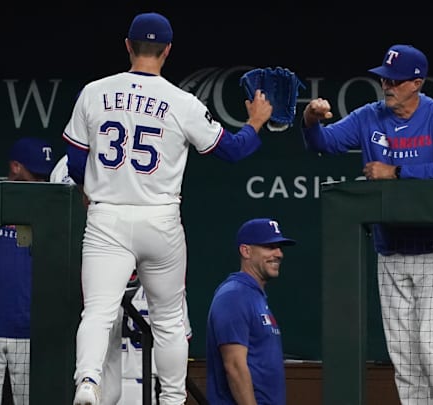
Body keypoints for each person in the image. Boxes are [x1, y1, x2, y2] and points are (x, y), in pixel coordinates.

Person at [62, 11, 273, 405]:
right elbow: (233, 151)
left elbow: (75, 163)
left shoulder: (94, 91)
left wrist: (89, 191)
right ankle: (173, 399)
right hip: (159, 219)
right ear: (168, 51)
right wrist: (256, 122)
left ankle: (87, 382)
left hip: (107, 215)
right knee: (170, 320)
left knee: (98, 311)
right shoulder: (182, 102)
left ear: (127, 45)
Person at [301, 44, 433, 405]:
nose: (386, 85)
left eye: (394, 80)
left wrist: (395, 172)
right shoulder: (369, 116)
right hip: (391, 248)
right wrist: (310, 120)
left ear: (416, 83)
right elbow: (324, 144)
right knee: (404, 356)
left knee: (430, 349)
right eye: (383, 79)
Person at [50, 157, 192, 405]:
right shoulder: (67, 167)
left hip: (106, 254)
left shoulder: (75, 160)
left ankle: (88, 380)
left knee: (104, 365)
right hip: (94, 260)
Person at [0, 137, 55, 405]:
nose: (41, 181)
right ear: (15, 167)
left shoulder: (52, 208)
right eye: (35, 174)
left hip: (28, 331)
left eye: (44, 175)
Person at [206, 218, 296, 405]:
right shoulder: (234, 296)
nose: (279, 254)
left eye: (279, 247)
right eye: (270, 247)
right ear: (246, 251)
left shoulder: (254, 295)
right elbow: (234, 366)